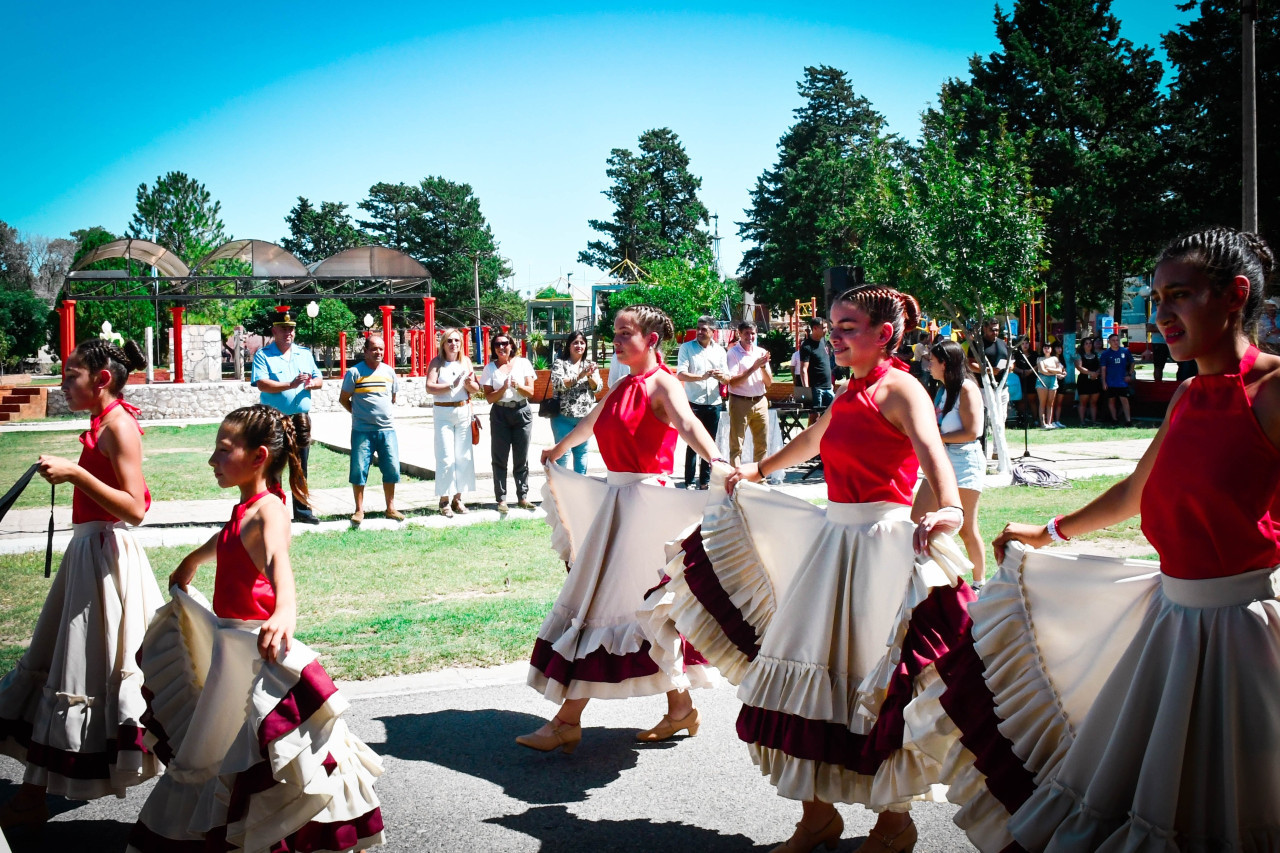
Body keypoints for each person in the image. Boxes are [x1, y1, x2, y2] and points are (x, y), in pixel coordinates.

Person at [933, 227, 1280, 852]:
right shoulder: (1186, 395)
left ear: (1235, 295)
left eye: (1180, 295)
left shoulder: (1275, 392)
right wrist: (1051, 530)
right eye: (1156, 297)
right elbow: (1135, 492)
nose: (1162, 313)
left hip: (1243, 633)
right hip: (1171, 622)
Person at [654, 285, 973, 853]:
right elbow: (811, 441)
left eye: (849, 327)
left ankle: (893, 824)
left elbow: (933, 456)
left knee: (876, 685)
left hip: (881, 547)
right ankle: (817, 817)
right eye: (833, 326)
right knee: (797, 669)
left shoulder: (902, 389)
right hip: (835, 542)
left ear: (885, 333)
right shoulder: (851, 392)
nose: (835, 336)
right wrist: (757, 470)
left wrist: (948, 508)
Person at [129, 404, 383, 852]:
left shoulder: (270, 511)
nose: (213, 460)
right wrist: (192, 560)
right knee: (221, 747)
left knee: (253, 752)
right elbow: (227, 537)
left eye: (223, 451)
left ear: (258, 456)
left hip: (253, 648)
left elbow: (278, 564)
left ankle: (274, 835)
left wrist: (285, 610)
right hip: (229, 647)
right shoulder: (246, 507)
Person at [520, 305, 723, 753]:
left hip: (646, 507)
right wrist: (557, 448)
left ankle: (566, 721)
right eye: (615, 331)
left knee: (606, 604)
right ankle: (680, 709)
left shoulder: (663, 383)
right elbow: (592, 423)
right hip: (618, 505)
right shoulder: (620, 385)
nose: (615, 338)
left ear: (652, 340)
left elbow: (689, 424)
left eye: (625, 332)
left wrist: (720, 462)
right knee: (639, 611)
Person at [0, 340, 162, 829]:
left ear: (102, 379)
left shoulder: (120, 426)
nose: (64, 384)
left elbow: (135, 509)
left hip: (107, 559)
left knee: (83, 672)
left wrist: (74, 474)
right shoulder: (104, 422)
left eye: (72, 376)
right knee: (66, 670)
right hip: (89, 554)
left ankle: (202, 789)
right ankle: (33, 794)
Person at [914, 339, 987, 585]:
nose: (928, 366)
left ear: (945, 363)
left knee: (966, 528)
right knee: (918, 518)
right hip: (942, 458)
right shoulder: (943, 389)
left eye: (932, 361)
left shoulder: (966, 388)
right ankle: (934, 579)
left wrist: (936, 438)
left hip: (965, 460)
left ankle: (978, 584)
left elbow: (973, 431)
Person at [251, 311, 322, 523]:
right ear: (274, 331)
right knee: (273, 465)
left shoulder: (304, 354)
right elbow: (262, 383)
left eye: (291, 328)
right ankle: (273, 512)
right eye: (283, 328)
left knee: (300, 465)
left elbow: (319, 378)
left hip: (300, 417)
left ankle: (303, 512)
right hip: (274, 419)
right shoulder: (264, 355)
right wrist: (289, 385)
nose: (288, 332)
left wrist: (312, 383)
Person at [339, 335, 403, 524]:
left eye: (381, 349)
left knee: (391, 468)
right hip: (362, 431)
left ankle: (390, 508)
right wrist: (358, 414)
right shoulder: (354, 373)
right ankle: (359, 510)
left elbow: (392, 398)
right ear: (365, 351)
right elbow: (344, 399)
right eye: (374, 349)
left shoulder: (389, 372)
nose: (378, 352)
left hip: (387, 430)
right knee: (359, 469)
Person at [425, 328, 480, 517]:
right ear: (443, 343)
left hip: (463, 411)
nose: (453, 344)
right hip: (443, 412)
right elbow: (429, 387)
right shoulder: (437, 363)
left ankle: (458, 499)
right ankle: (444, 500)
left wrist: (467, 384)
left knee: (463, 457)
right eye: (449, 340)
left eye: (457, 340)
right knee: (446, 457)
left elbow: (475, 388)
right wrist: (451, 385)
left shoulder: (465, 362)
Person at [481, 332, 537, 512]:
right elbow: (489, 398)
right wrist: (504, 387)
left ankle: (523, 496)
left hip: (522, 412)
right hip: (500, 413)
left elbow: (531, 392)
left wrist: (517, 386)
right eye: (497, 345)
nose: (501, 347)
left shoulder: (523, 363)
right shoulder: (490, 368)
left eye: (505, 343)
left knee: (521, 457)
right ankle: (501, 499)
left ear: (511, 345)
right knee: (499, 457)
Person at [676, 315, 728, 489]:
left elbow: (727, 377)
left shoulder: (720, 351)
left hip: (714, 403)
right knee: (693, 444)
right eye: (698, 328)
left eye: (704, 329)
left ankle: (704, 481)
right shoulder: (686, 348)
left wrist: (722, 377)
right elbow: (681, 374)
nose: (699, 331)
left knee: (709, 443)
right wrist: (702, 376)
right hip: (693, 403)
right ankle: (689, 481)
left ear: (713, 331)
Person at [549, 330, 602, 476]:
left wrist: (590, 375)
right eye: (575, 342)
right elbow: (559, 384)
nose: (579, 345)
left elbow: (598, 387)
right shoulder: (560, 364)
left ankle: (579, 491)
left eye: (582, 343)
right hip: (562, 417)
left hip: (584, 419)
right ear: (569, 346)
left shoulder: (590, 365)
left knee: (581, 455)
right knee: (562, 455)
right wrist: (581, 375)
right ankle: (561, 492)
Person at [725, 322, 773, 465]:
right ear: (739, 334)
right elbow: (732, 382)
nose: (750, 336)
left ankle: (759, 479)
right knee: (736, 445)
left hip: (760, 400)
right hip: (740, 401)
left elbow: (769, 383)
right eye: (746, 333)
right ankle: (736, 479)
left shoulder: (761, 352)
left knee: (762, 444)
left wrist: (763, 366)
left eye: (753, 333)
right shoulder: (733, 353)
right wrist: (753, 367)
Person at [968, 318, 1011, 458]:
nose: (995, 332)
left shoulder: (1003, 344)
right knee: (984, 419)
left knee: (1001, 418)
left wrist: (1009, 367)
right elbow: (970, 364)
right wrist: (989, 370)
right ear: (985, 329)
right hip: (984, 388)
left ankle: (998, 452)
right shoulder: (977, 344)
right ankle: (980, 449)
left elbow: (1011, 361)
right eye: (992, 329)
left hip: (1002, 387)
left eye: (997, 329)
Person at [798, 316, 836, 408]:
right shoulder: (807, 346)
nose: (826, 330)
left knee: (832, 415)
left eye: (826, 327)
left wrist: (830, 383)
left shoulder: (824, 341)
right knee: (815, 417)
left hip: (828, 387)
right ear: (814, 328)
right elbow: (803, 369)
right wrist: (806, 390)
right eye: (823, 328)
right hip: (816, 389)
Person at [1100, 332, 1136, 425]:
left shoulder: (1125, 351)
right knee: (1111, 400)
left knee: (1124, 400)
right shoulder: (1105, 354)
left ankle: (1128, 420)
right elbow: (1103, 369)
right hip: (1110, 381)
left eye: (1117, 340)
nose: (1116, 342)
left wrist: (1130, 374)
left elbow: (1132, 362)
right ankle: (1114, 419)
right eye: (1113, 340)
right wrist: (1104, 382)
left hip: (1122, 381)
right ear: (1109, 342)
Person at [1034, 340, 1065, 429]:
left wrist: (1049, 368)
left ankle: (1049, 422)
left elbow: (1060, 370)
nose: (1046, 349)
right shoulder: (1039, 359)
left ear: (1051, 349)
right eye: (1045, 347)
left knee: (1050, 403)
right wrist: (1054, 371)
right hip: (1042, 380)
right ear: (1042, 349)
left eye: (1048, 347)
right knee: (1042, 403)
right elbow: (1043, 371)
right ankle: (1043, 423)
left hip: (1053, 381)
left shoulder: (1055, 358)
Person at [1074, 336, 1103, 424]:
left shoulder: (1097, 355)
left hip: (1095, 380)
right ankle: (1082, 421)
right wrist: (1091, 373)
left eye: (1090, 343)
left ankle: (1094, 421)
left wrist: (1096, 373)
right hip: (1084, 381)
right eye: (1086, 343)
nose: (1088, 345)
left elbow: (1101, 366)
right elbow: (1079, 367)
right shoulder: (1079, 355)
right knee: (1083, 402)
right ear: (1083, 345)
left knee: (1093, 402)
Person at [1011, 337, 1039, 424]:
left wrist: (1030, 371)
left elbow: (1038, 364)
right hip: (1020, 379)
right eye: (1022, 343)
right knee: (1021, 400)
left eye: (1026, 343)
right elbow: (1013, 367)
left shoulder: (1034, 354)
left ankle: (1035, 420)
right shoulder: (1016, 354)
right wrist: (1022, 371)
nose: (1025, 345)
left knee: (1032, 400)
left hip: (1031, 378)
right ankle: (1022, 420)